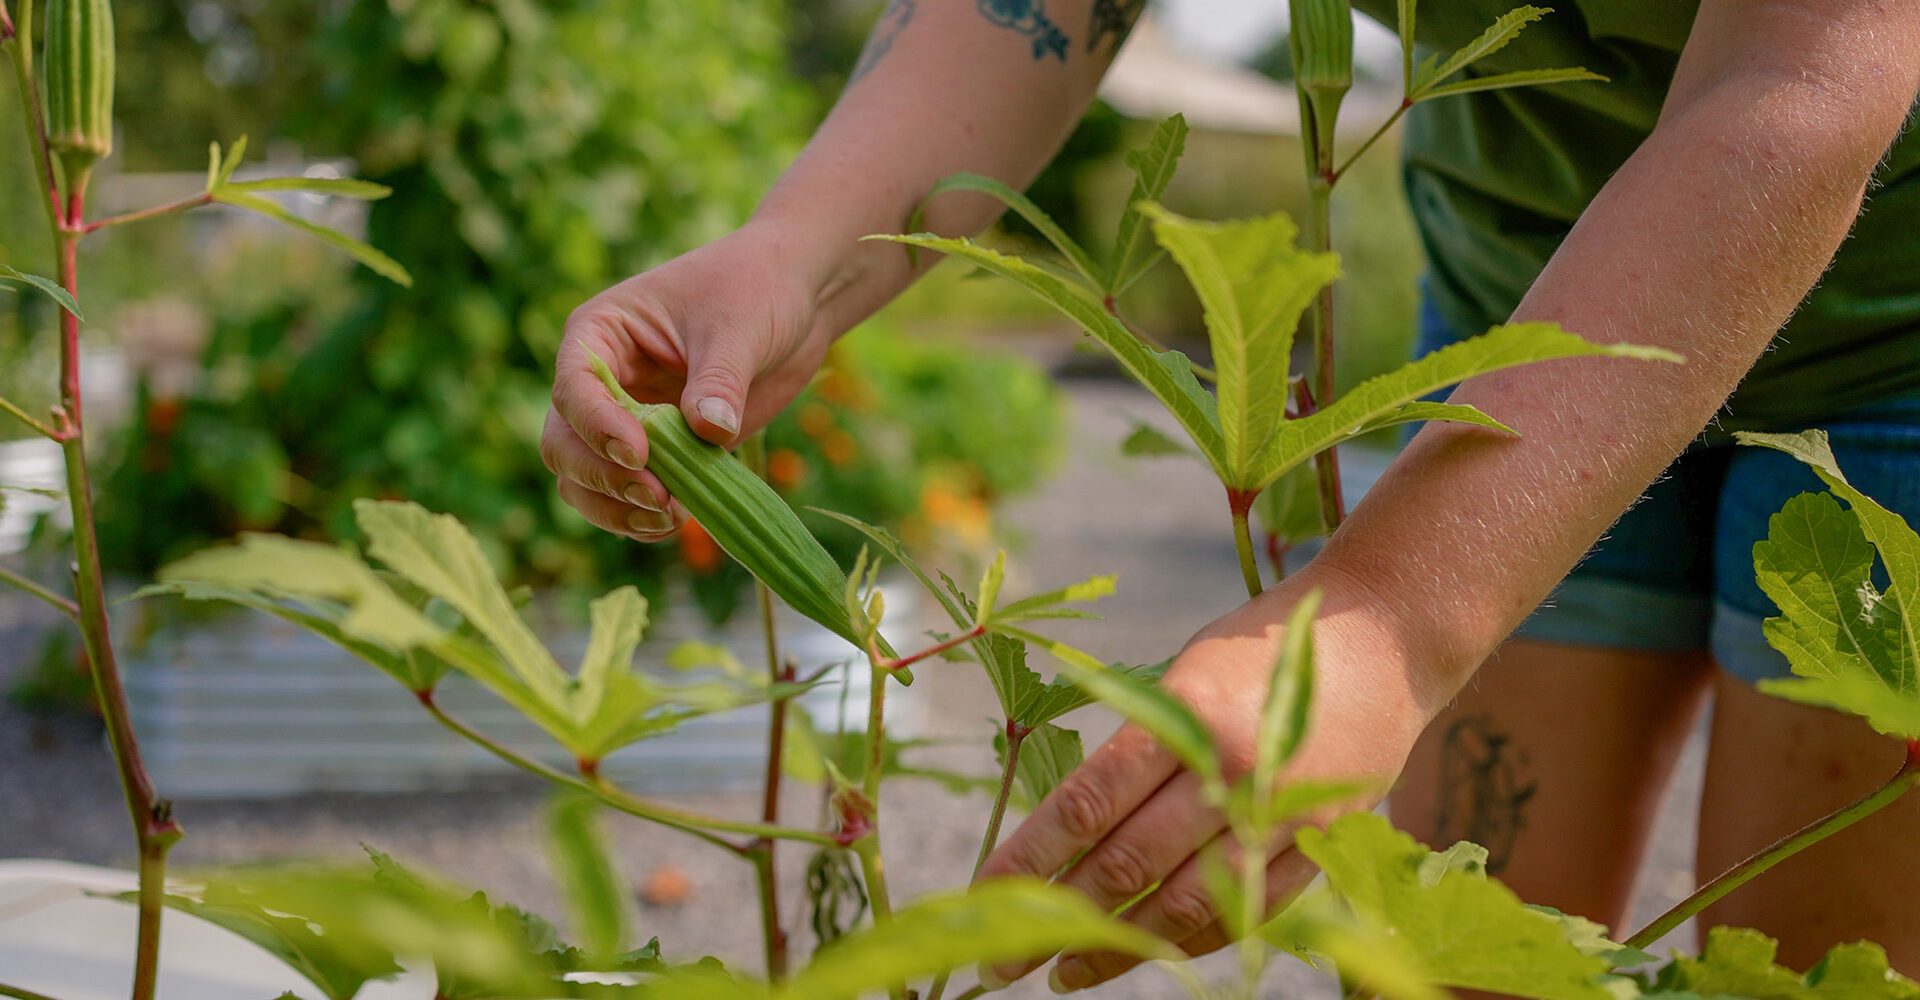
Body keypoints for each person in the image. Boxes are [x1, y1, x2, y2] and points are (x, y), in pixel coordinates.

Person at [544, 0, 1920, 991]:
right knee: (1448, 968)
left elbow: (1812, 71)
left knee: (1801, 977)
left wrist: (1381, 620)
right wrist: (802, 248)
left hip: (1901, 330)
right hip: (1527, 305)